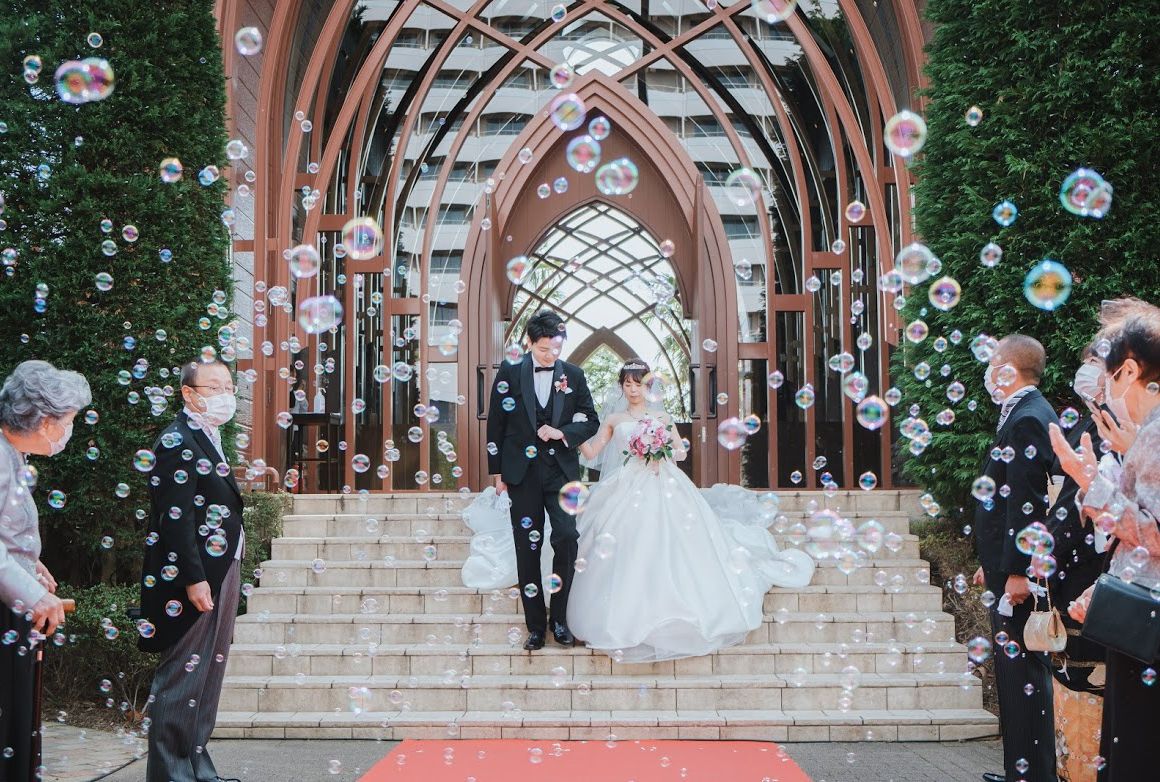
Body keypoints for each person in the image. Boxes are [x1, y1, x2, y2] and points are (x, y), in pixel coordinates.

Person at [566, 359, 815, 662]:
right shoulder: (614, 419)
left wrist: (658, 449)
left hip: (663, 482)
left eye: (638, 384)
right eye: (627, 384)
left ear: (648, 386)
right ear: (621, 387)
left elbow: (681, 452)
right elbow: (592, 452)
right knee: (625, 542)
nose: (633, 389)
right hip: (625, 486)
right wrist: (574, 432)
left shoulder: (662, 416)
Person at [1052, 311, 1160, 782]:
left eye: (1108, 375)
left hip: (1148, 633)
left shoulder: (1156, 431)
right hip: (1142, 620)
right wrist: (1107, 586)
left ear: (1130, 370)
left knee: (1136, 751)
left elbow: (1154, 533)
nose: (1104, 390)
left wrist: (1090, 482)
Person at [139, 358, 244, 782]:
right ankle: (171, 773)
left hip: (225, 565)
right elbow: (175, 518)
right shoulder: (177, 440)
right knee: (184, 673)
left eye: (229, 387)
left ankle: (198, 768)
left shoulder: (209, 437)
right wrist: (193, 578)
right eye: (214, 387)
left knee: (208, 674)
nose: (225, 395)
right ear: (188, 393)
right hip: (196, 575)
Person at [971, 335, 1059, 782]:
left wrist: (1019, 573)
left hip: (1018, 577)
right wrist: (992, 561)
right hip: (1006, 568)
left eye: (992, 363)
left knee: (1023, 673)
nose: (988, 372)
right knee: (1015, 673)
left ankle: (1030, 775)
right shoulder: (1025, 412)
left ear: (1007, 367)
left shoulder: (1026, 419)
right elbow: (1007, 501)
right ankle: (1020, 771)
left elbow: (1028, 505)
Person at [485, 310, 599, 651]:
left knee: (567, 537)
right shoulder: (510, 371)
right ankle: (535, 627)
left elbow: (591, 420)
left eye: (557, 349)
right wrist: (497, 472)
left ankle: (559, 620)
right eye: (544, 349)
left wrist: (562, 432)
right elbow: (496, 422)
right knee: (527, 546)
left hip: (561, 472)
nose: (551, 355)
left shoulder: (574, 375)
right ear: (530, 343)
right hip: (521, 472)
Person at [0, 361, 90, 781]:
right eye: (68, 421)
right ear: (44, 420)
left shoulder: (11, 454)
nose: (69, 431)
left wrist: (30, 561)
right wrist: (33, 594)